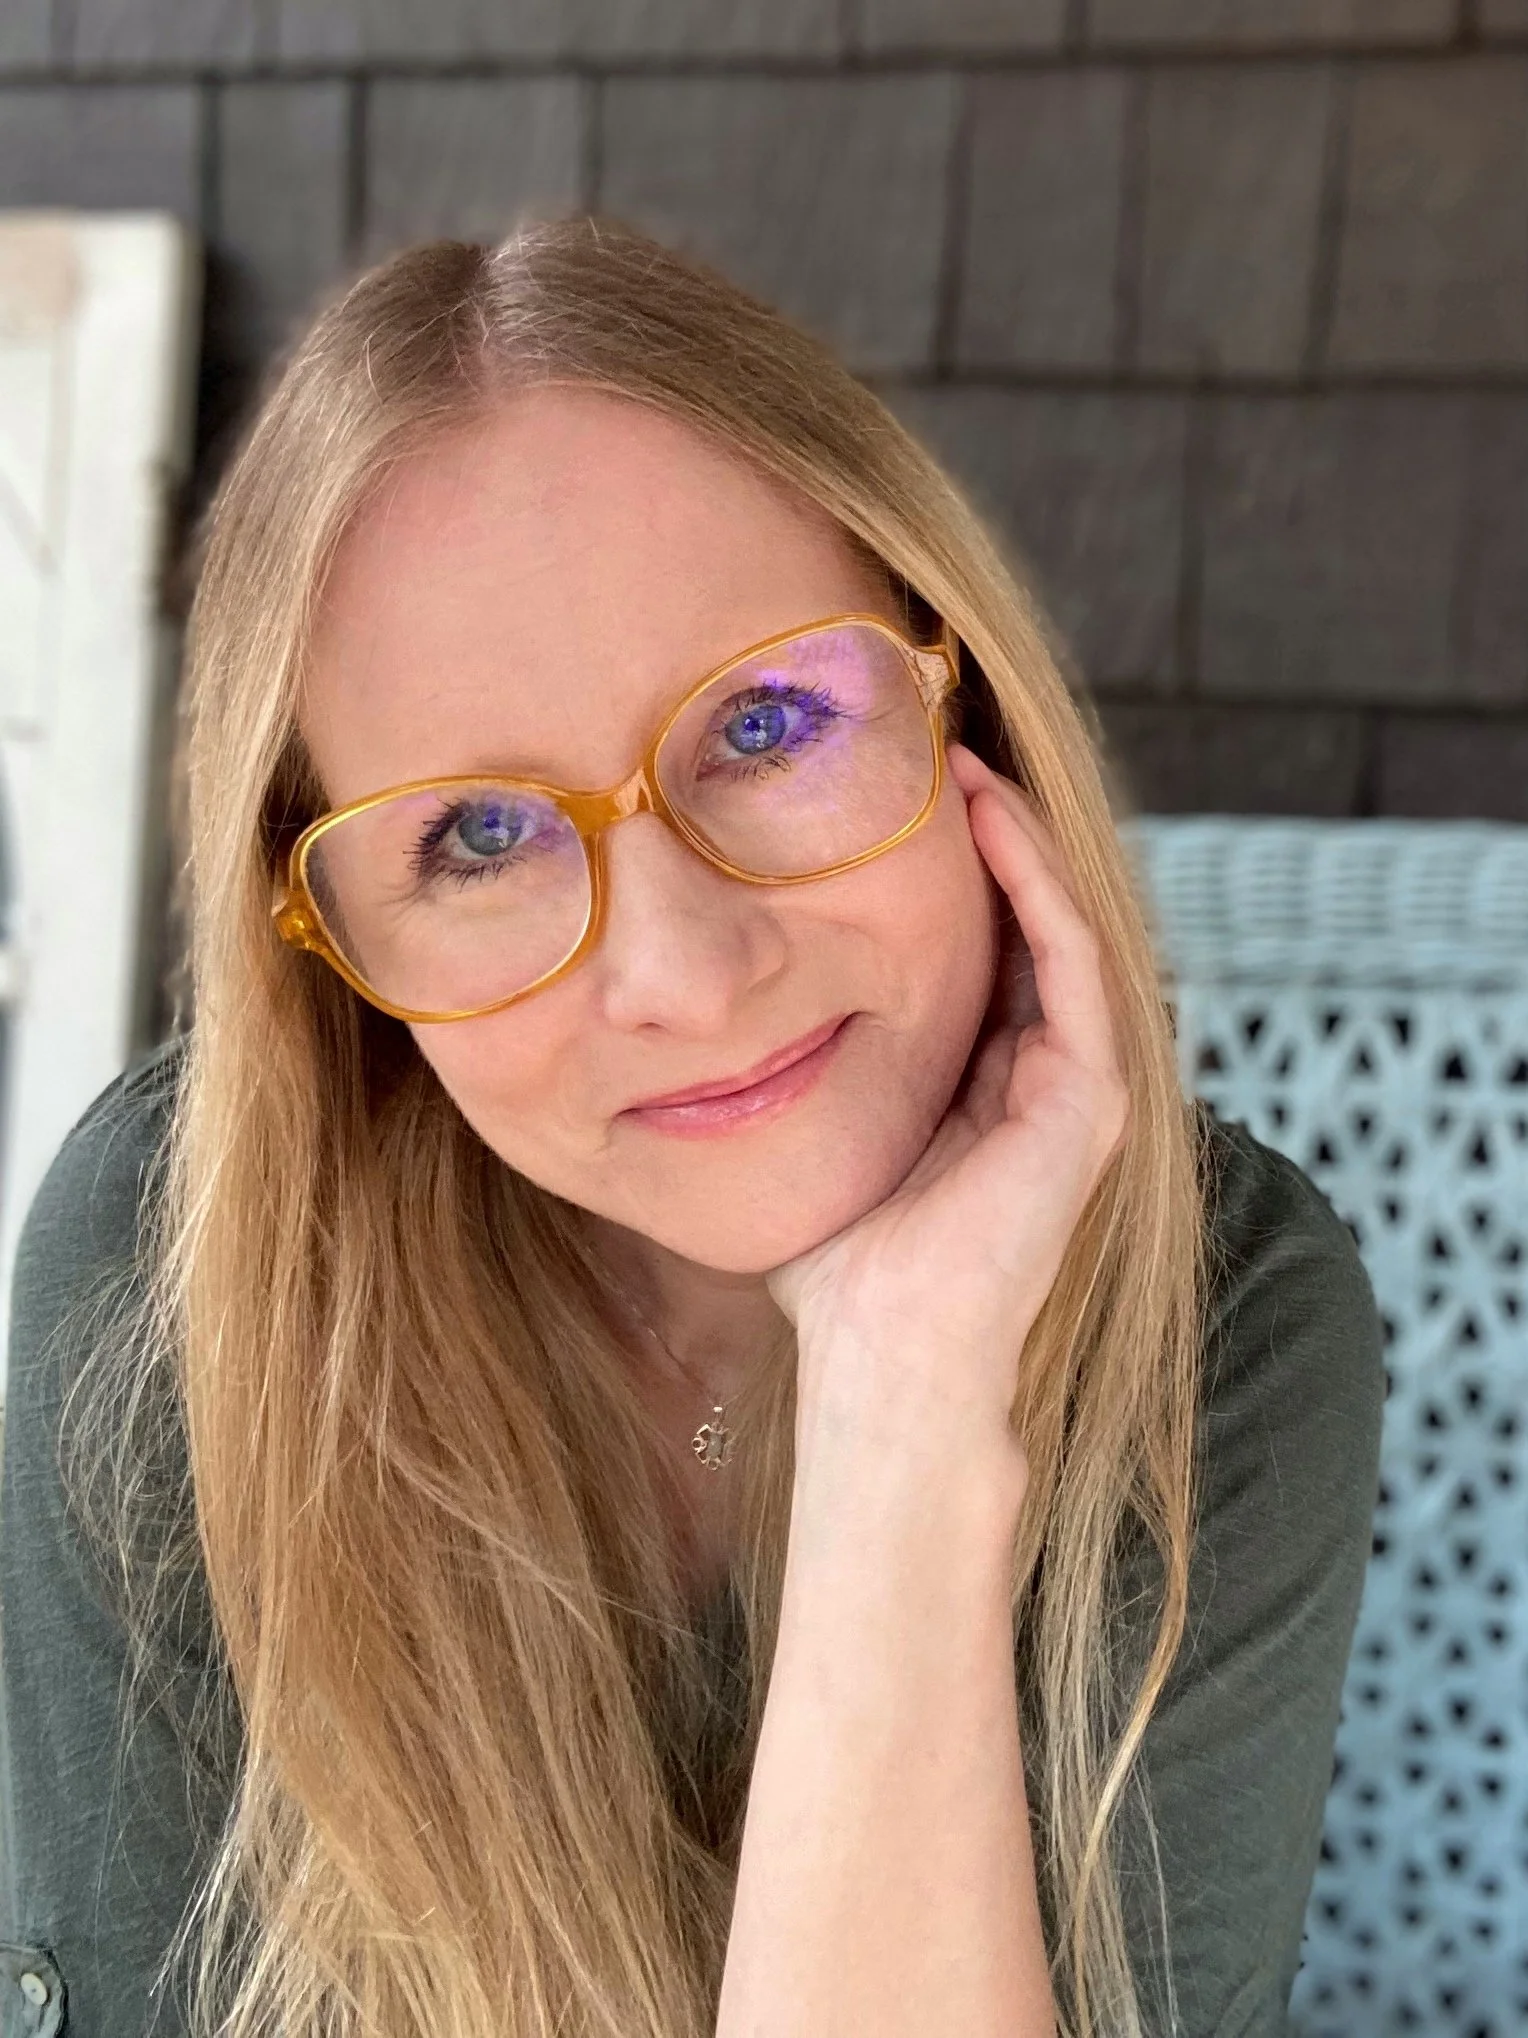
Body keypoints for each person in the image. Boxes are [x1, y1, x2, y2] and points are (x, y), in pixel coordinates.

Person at [0, 217, 1384, 2038]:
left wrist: (904, 1406)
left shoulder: (1224, 1319)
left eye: (767, 720)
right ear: (336, 958)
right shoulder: (170, 1279)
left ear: (964, 696)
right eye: (478, 837)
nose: (684, 969)